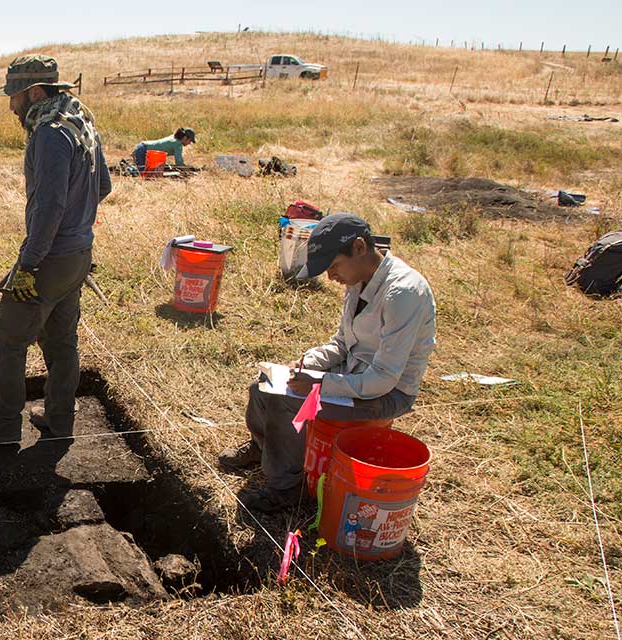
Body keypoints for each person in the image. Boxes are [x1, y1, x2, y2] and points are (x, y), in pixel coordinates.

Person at [220, 213, 435, 512]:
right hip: (352, 374)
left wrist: (319, 383)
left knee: (286, 402)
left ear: (359, 247)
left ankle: (286, 489)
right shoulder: (359, 280)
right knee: (263, 387)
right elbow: (342, 344)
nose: (331, 277)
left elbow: (383, 379)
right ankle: (262, 448)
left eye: (334, 266)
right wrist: (307, 363)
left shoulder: (403, 293)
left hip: (387, 394)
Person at [0, 54, 111, 445]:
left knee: (6, 341)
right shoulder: (80, 121)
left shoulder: (50, 133)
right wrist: (77, 223)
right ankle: (59, 419)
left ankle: (1, 429)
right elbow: (103, 186)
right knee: (61, 341)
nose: (12, 106)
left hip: (49, 259)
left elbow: (49, 207)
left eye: (15, 96)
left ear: (36, 93)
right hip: (78, 256)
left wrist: (28, 264)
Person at [131, 127, 196, 169]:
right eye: (190, 141)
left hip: (142, 147)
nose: (189, 143)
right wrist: (189, 169)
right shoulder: (177, 144)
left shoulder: (174, 138)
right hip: (143, 151)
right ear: (185, 138)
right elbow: (179, 163)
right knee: (142, 172)